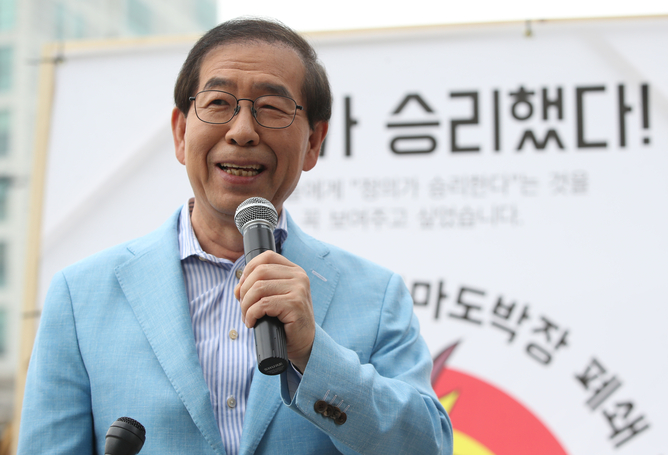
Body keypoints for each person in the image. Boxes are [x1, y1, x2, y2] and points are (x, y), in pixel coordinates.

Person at [18, 18, 453, 455]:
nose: (242, 131)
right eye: (219, 103)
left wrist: (313, 354)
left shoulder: (377, 296)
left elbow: (428, 446)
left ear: (313, 142)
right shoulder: (80, 297)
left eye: (272, 108)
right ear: (181, 132)